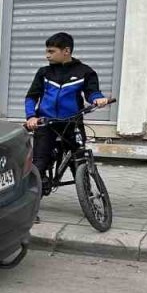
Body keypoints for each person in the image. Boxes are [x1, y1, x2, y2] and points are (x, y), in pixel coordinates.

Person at [23, 32, 110, 192]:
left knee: (78, 160)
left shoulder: (85, 72)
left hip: (72, 123)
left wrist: (98, 99)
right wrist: (31, 117)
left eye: (51, 51)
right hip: (46, 123)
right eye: (46, 51)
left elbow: (92, 92)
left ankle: (88, 196)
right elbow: (31, 97)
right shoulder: (44, 73)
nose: (47, 56)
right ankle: (33, 196)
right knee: (40, 162)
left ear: (66, 51)